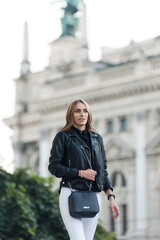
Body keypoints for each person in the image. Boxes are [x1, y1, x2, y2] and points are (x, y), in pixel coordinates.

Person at [48, 99, 120, 240]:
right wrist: (80, 173)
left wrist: (111, 196)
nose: (82, 114)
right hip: (71, 193)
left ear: (89, 114)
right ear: (71, 115)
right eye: (78, 111)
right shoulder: (63, 136)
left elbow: (102, 170)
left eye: (85, 110)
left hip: (93, 195)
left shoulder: (97, 138)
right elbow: (53, 167)